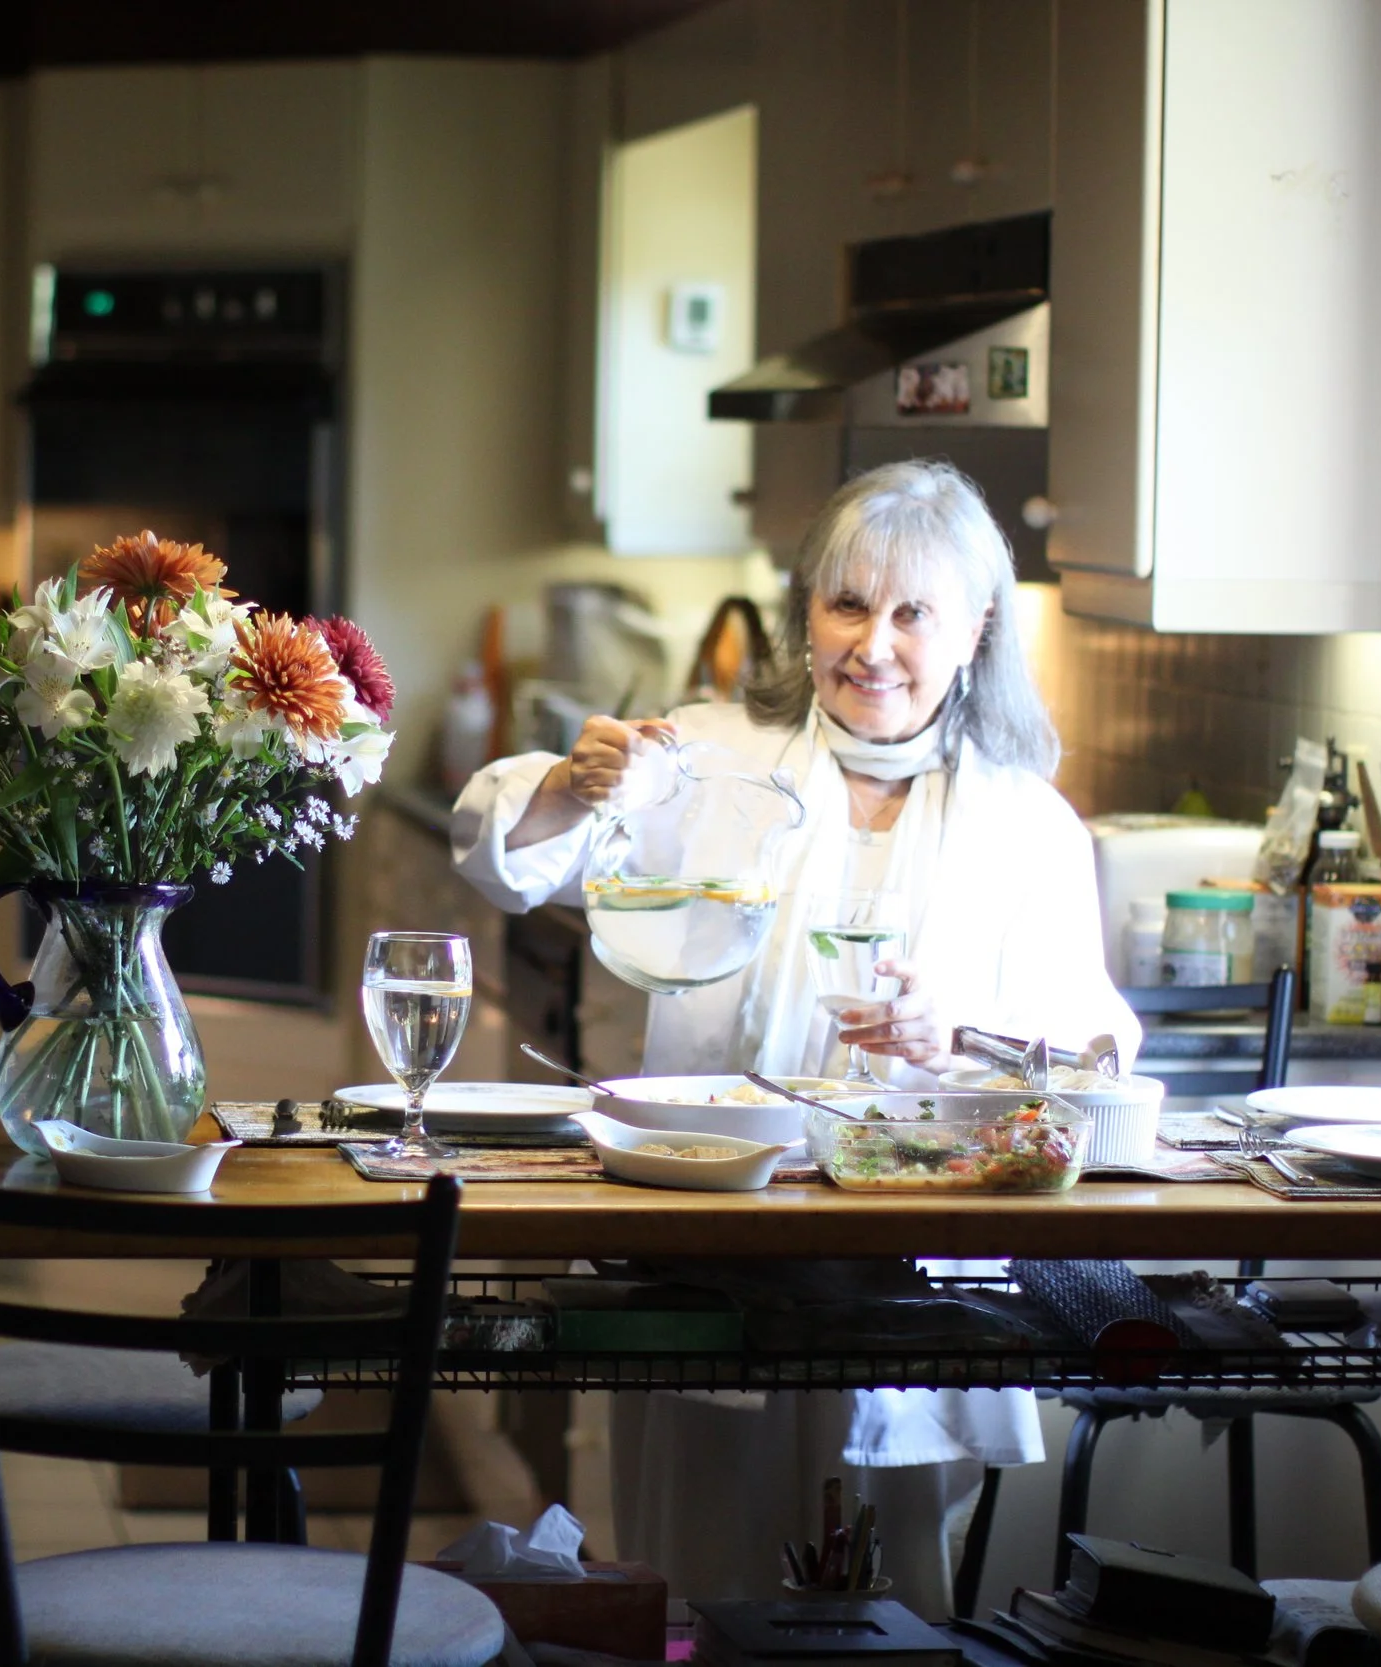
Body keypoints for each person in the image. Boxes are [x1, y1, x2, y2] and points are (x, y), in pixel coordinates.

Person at [449, 460, 1139, 1613]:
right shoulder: (711, 757)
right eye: (847, 603)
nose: (874, 643)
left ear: (973, 628)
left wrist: (953, 1034)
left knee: (892, 1597)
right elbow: (509, 858)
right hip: (709, 1237)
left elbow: (1086, 1051)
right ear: (805, 611)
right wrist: (576, 779)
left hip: (914, 1277)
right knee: (694, 1580)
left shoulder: (1027, 824)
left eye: (912, 611)